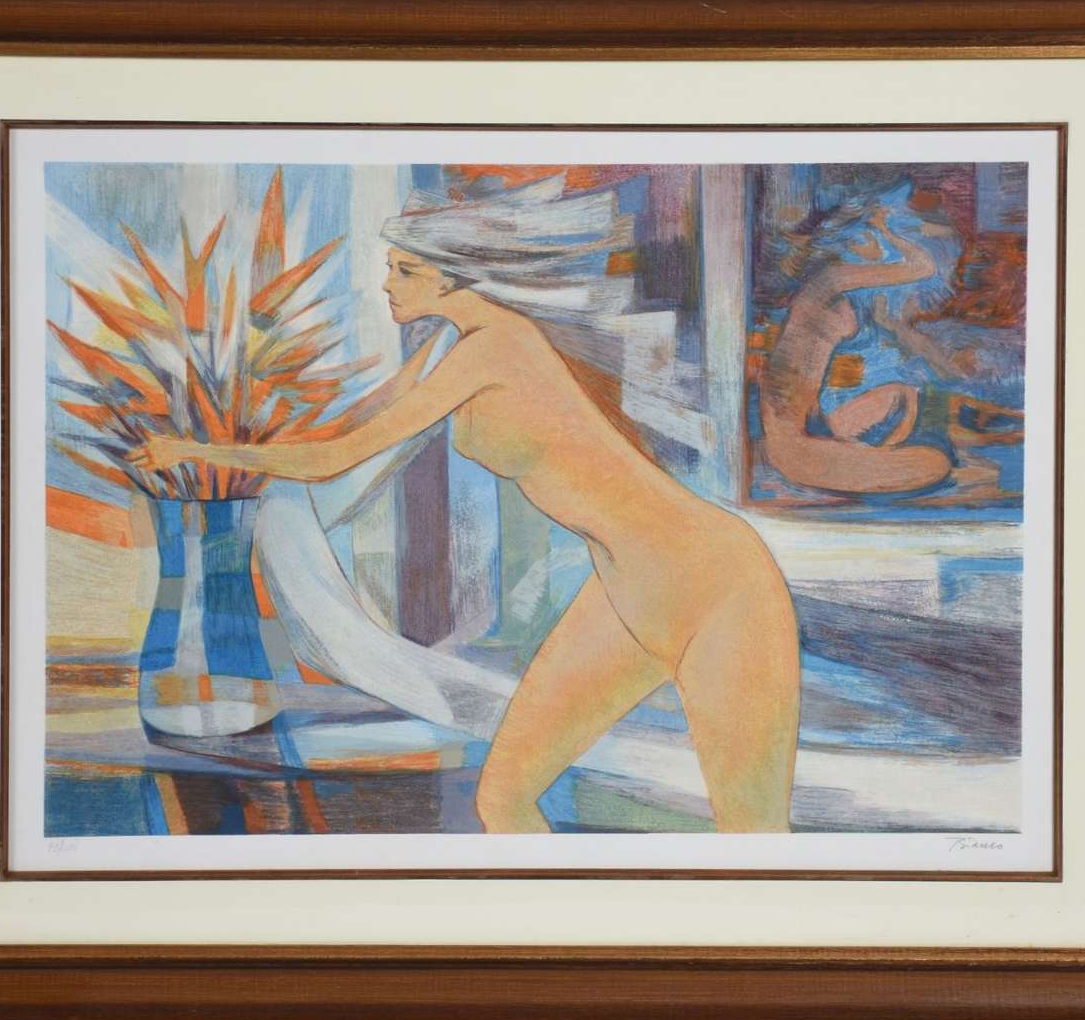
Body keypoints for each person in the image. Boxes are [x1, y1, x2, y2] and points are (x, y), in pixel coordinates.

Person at [131, 176, 801, 834]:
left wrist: (195, 451)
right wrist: (241, 426)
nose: (387, 284)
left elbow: (337, 459)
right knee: (503, 800)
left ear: (453, 278)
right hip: (625, 591)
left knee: (754, 833)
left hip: (713, 580)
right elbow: (348, 432)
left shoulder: (497, 347)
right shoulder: (453, 350)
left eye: (405, 271)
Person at [756, 192, 962, 496]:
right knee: (935, 464)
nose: (880, 251)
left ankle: (863, 451)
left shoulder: (820, 290)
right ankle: (859, 454)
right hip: (793, 446)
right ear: (853, 240)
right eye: (870, 239)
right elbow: (922, 266)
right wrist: (887, 230)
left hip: (794, 433)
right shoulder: (832, 280)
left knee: (905, 394)